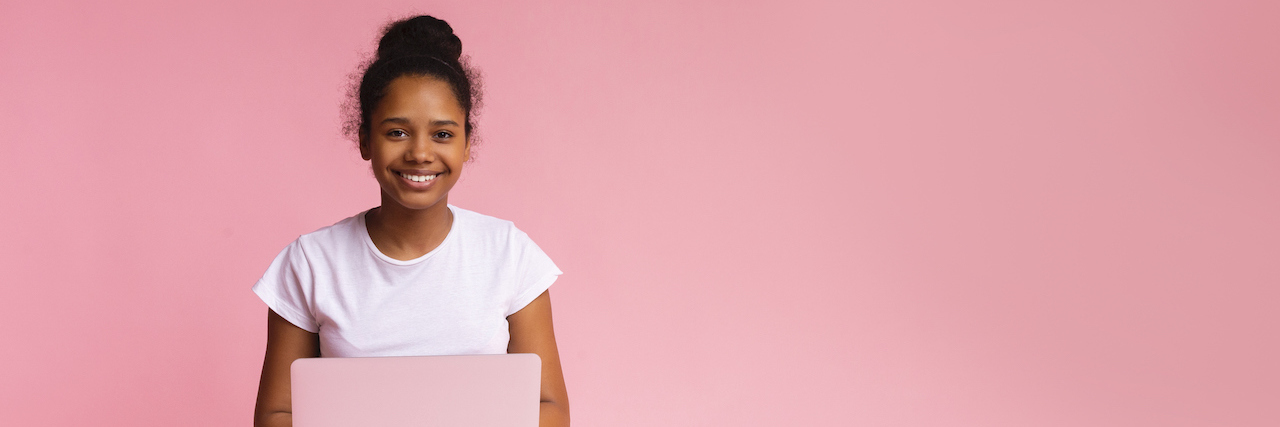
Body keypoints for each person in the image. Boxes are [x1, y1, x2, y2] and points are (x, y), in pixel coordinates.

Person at [251, 15, 569, 427]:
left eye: (442, 134)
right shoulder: (311, 262)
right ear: (365, 139)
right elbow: (278, 413)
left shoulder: (509, 253)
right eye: (397, 132)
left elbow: (550, 408)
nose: (420, 153)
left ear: (467, 143)